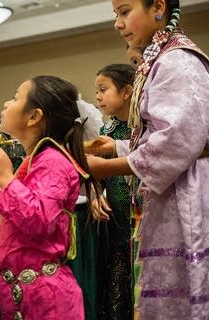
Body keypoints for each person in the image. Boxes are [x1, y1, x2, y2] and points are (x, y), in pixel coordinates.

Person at [85, 0, 209, 318]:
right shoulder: (161, 58)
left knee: (193, 291)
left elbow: (176, 142)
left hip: (191, 189)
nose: (117, 23)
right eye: (116, 14)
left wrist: (107, 166)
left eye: (124, 12)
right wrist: (114, 147)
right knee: (177, 292)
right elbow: (161, 136)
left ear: (158, 8)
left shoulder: (178, 60)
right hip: (180, 185)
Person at [0, 75, 104, 320]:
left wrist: (6, 180)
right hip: (23, 296)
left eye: (16, 97)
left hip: (47, 300)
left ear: (34, 116)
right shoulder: (35, 160)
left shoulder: (53, 162)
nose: (6, 104)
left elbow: (39, 221)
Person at [94, 63, 135, 320]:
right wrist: (97, 194)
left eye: (103, 89)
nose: (98, 96)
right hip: (118, 221)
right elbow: (94, 175)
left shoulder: (143, 129)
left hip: (142, 216)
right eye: (96, 91)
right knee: (118, 272)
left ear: (128, 91)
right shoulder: (104, 132)